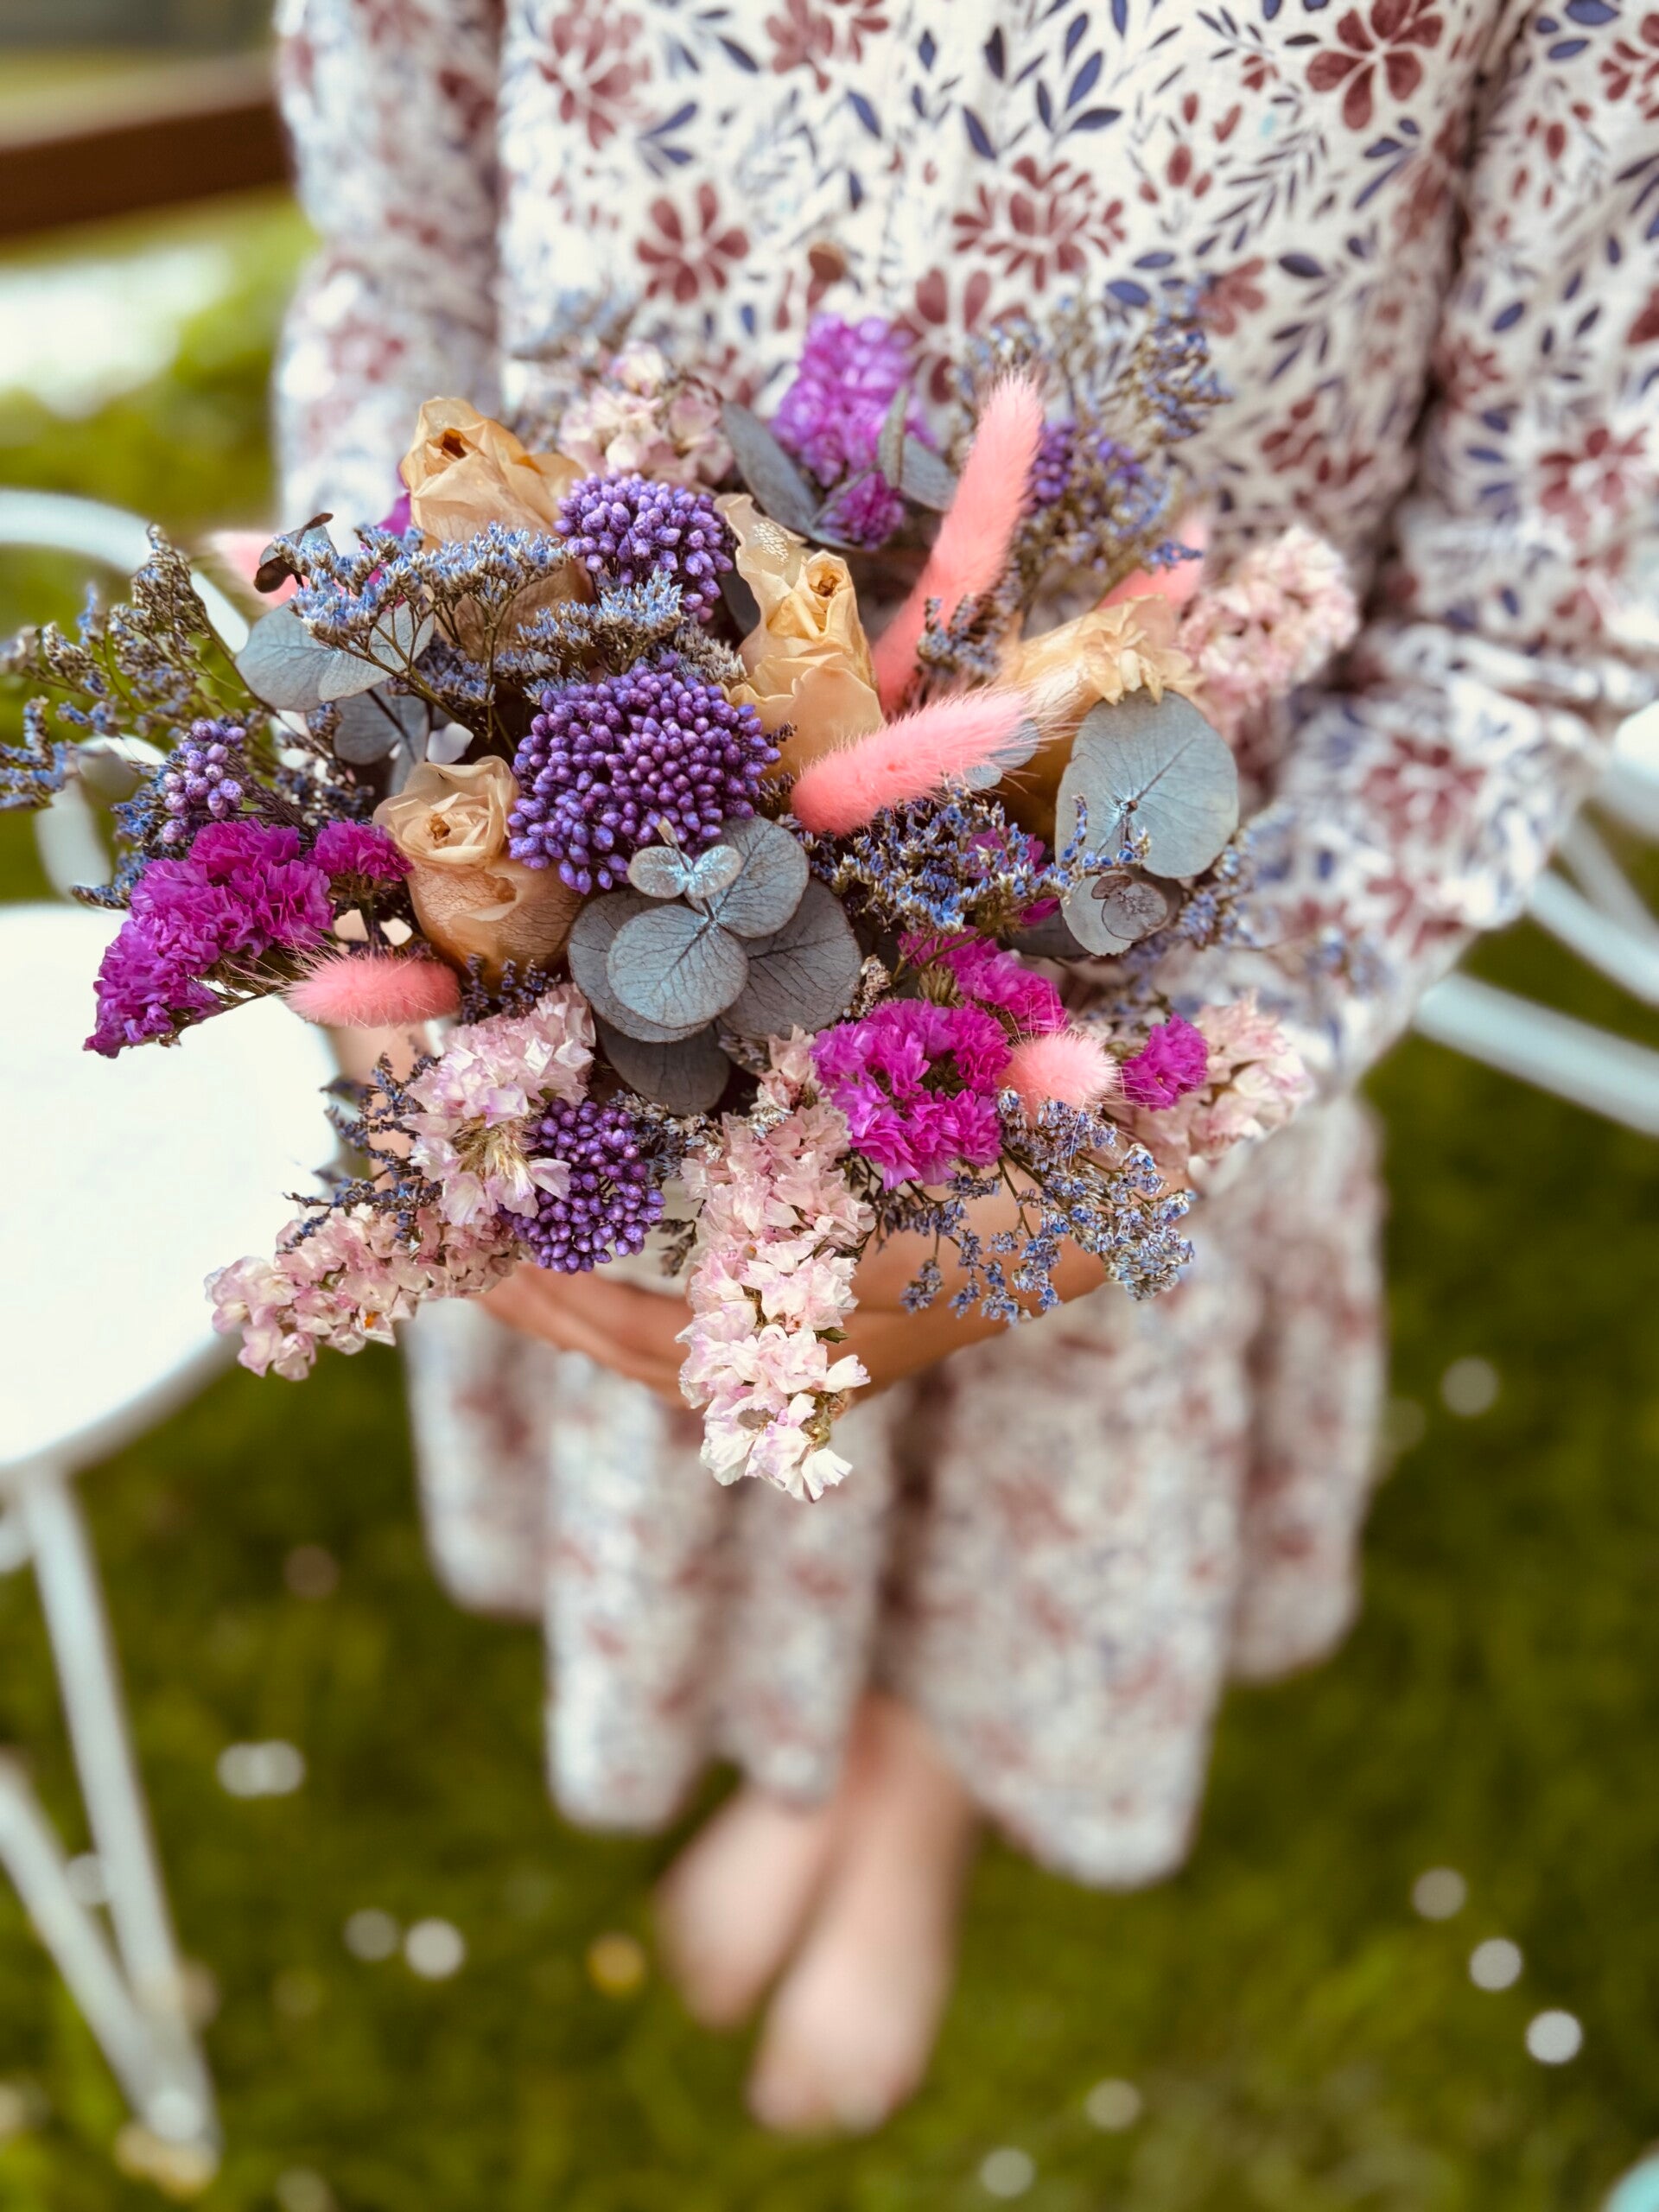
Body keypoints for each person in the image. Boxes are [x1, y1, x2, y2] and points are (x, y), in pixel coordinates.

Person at [272, 0, 1656, 2133]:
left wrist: (1164, 1105)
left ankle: (913, 1792)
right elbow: (396, 276)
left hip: (1157, 916)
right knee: (719, 1344)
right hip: (598, 865)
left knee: (1032, 1353)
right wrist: (384, 860)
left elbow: (1518, 615)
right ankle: (783, 1741)